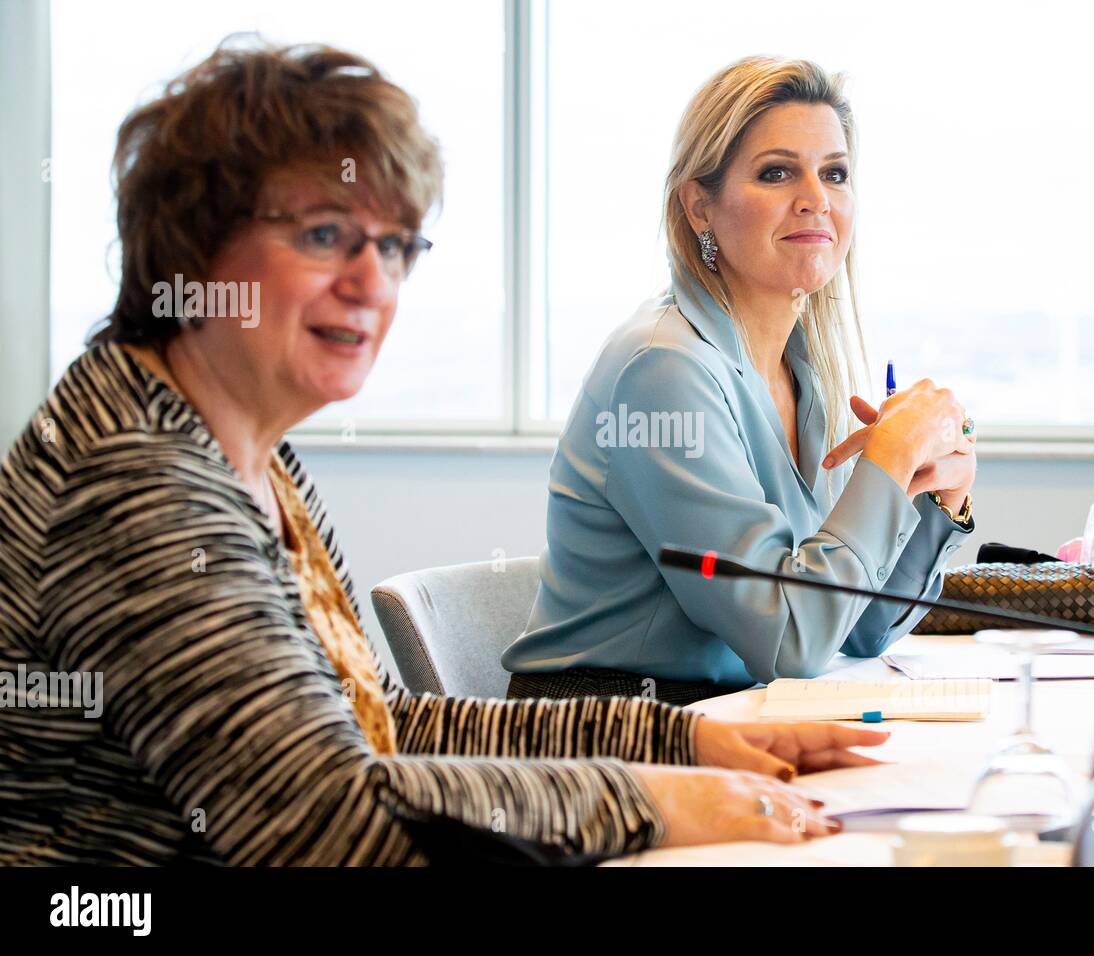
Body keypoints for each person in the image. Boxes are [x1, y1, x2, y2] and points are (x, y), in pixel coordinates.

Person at [0, 39, 888, 865]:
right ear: (193, 242)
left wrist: (680, 743)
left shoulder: (232, 447)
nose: (371, 283)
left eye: (393, 245)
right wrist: (651, 799)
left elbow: (367, 730)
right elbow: (320, 821)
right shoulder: (134, 481)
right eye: (322, 237)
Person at [505, 57, 976, 703]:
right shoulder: (663, 369)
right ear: (700, 207)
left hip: (730, 717)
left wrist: (935, 501)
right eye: (777, 172)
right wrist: (888, 462)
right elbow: (792, 639)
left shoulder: (805, 372)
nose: (816, 197)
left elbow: (859, 628)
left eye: (834, 173)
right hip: (615, 736)